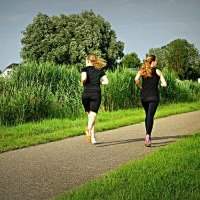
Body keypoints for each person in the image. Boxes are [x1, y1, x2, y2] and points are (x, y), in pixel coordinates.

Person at [135, 55, 167, 147]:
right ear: (153, 61)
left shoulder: (142, 70)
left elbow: (136, 79)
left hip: (144, 97)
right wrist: (162, 84)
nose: (157, 62)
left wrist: (140, 87)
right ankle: (148, 135)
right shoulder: (157, 71)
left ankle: (147, 135)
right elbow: (164, 83)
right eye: (156, 61)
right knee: (150, 116)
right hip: (154, 97)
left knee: (147, 115)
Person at [81, 54, 109, 144]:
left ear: (88, 61)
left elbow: (84, 78)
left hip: (86, 94)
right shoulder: (100, 70)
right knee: (93, 116)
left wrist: (83, 81)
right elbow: (106, 82)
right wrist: (98, 81)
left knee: (90, 116)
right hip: (96, 94)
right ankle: (88, 129)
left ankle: (92, 137)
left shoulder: (84, 69)